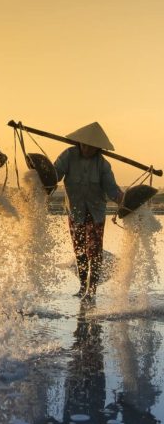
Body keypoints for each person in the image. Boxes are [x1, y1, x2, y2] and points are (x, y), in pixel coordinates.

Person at [54, 122, 123, 303]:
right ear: (79, 143)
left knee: (94, 252)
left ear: (97, 148)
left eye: (91, 147)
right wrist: (41, 175)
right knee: (79, 251)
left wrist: (125, 201)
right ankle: (82, 286)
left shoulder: (103, 165)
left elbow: (112, 191)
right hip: (75, 212)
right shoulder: (68, 156)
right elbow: (54, 176)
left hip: (96, 213)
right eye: (83, 145)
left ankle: (91, 290)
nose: (86, 149)